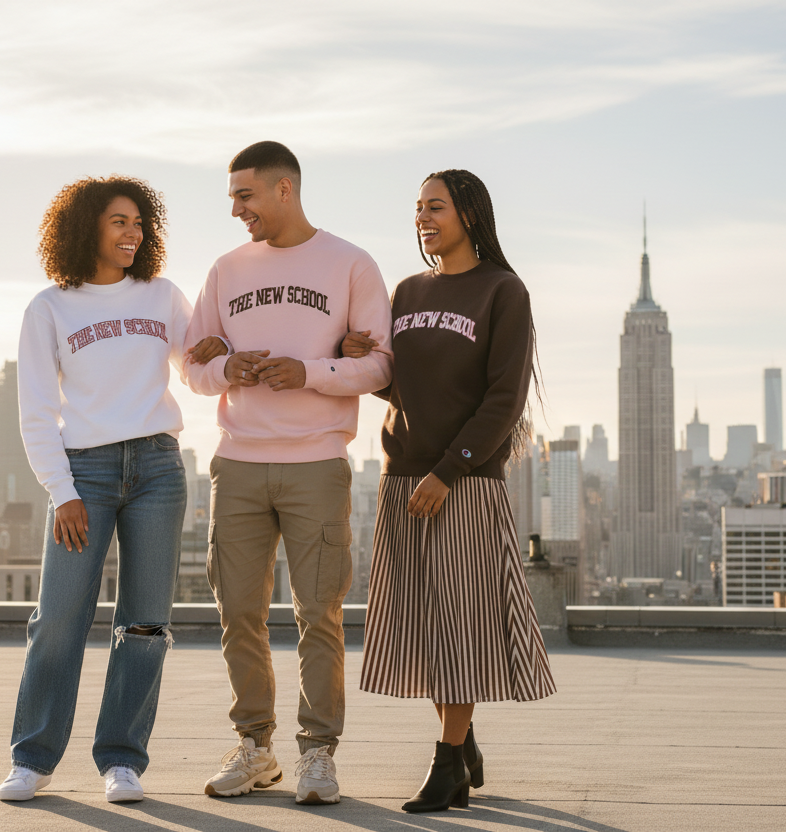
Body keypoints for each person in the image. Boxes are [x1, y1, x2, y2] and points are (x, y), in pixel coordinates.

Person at [0, 175, 228, 805]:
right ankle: (34, 757)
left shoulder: (162, 296)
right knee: (59, 618)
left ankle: (122, 760)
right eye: (119, 222)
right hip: (85, 475)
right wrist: (61, 491)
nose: (133, 233)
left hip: (157, 466)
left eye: (138, 223)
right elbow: (37, 412)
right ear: (86, 229)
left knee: (145, 623)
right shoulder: (50, 308)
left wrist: (222, 359)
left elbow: (199, 375)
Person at [182, 141, 393, 805]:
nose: (236, 209)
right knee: (238, 613)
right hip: (238, 464)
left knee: (318, 616)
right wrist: (226, 370)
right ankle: (256, 749)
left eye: (244, 196)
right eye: (232, 198)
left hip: (317, 465)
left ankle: (318, 754)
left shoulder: (351, 263)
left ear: (284, 190)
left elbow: (382, 363)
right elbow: (190, 365)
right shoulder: (224, 269)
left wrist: (311, 372)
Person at [343, 169, 556, 813]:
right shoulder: (406, 291)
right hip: (404, 479)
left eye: (436, 206)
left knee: (460, 627)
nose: (424, 218)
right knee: (426, 629)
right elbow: (404, 388)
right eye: (418, 208)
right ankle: (462, 746)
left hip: (460, 486)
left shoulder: (503, 291)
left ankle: (447, 766)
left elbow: (504, 400)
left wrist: (450, 471)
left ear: (469, 212)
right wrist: (360, 358)